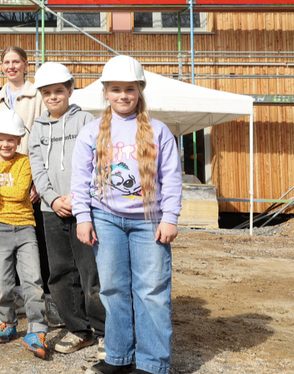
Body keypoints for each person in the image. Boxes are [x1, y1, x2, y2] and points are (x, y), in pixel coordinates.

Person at [72, 55, 183, 374]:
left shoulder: (158, 131)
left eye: (130, 89)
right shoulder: (91, 132)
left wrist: (170, 217)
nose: (123, 95)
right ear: (105, 92)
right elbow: (80, 178)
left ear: (139, 91)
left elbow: (171, 177)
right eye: (116, 89)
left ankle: (152, 363)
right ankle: (118, 357)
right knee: (113, 289)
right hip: (106, 220)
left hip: (150, 222)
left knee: (152, 291)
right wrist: (83, 216)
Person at [28, 62, 105, 358]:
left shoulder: (86, 121)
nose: (53, 97)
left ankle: (104, 331)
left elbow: (97, 162)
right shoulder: (37, 128)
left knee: (91, 272)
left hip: (84, 208)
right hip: (51, 210)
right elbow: (37, 167)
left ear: (70, 90)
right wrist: (52, 199)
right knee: (60, 273)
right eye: (47, 92)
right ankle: (79, 330)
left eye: (59, 90)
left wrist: (77, 197)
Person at [0, 45, 57, 327]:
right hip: (1, 182)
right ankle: (14, 299)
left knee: (35, 242)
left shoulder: (37, 96)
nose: (11, 66)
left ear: (26, 64)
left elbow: (43, 138)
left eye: (16, 61)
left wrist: (39, 179)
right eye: (6, 62)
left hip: (29, 177)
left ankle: (44, 300)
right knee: (4, 249)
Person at [0, 109, 49, 360]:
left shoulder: (25, 162)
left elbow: (20, 193)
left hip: (25, 227)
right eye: (1, 139)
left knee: (33, 281)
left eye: (11, 139)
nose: (6, 144)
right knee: (1, 283)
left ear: (19, 140)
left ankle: (37, 330)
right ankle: (7, 322)